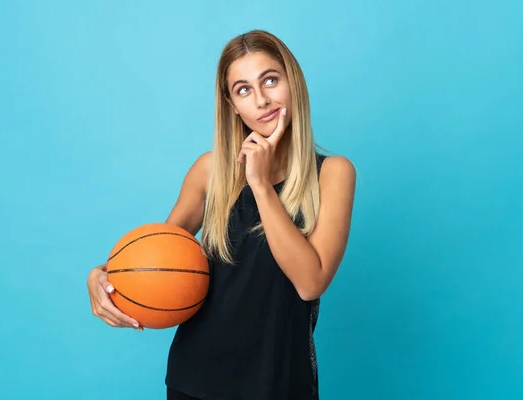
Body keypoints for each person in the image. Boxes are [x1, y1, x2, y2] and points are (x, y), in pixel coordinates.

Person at [87, 29, 356, 400]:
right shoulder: (210, 171)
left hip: (280, 382)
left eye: (270, 80)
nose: (261, 100)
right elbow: (153, 260)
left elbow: (311, 282)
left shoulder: (333, 173)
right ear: (232, 105)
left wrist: (260, 185)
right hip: (195, 381)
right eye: (244, 89)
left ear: (293, 82)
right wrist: (102, 275)